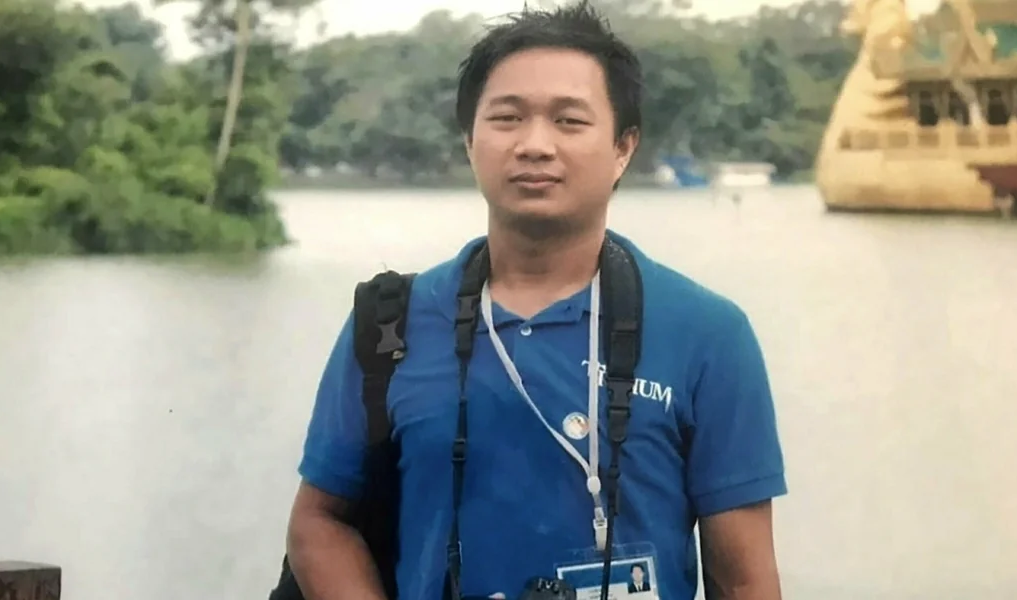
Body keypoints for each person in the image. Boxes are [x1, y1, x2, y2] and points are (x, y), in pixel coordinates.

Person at [283, 2, 788, 600]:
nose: (534, 144)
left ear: (623, 148)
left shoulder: (705, 333)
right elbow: (320, 522)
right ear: (470, 140)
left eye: (569, 121)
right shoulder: (391, 324)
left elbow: (744, 578)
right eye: (507, 118)